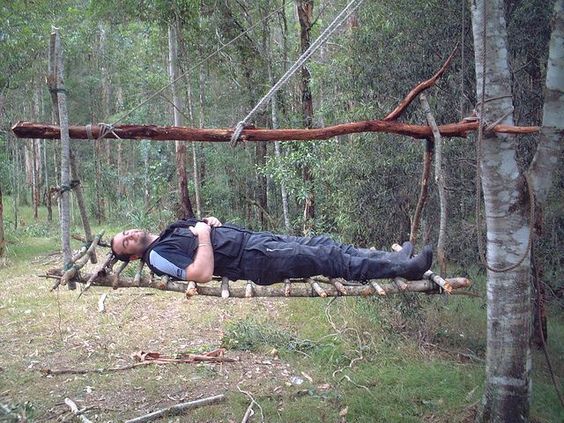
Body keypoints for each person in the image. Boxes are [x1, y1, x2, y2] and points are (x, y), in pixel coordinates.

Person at [110, 216, 432, 285]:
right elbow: (201, 273)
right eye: (125, 244)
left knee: (327, 244)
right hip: (254, 260)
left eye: (125, 233)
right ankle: (407, 269)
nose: (129, 236)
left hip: (256, 240)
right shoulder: (156, 256)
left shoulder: (168, 231)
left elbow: (203, 226)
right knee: (328, 260)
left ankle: (396, 258)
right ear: (133, 256)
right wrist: (206, 235)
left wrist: (208, 222)